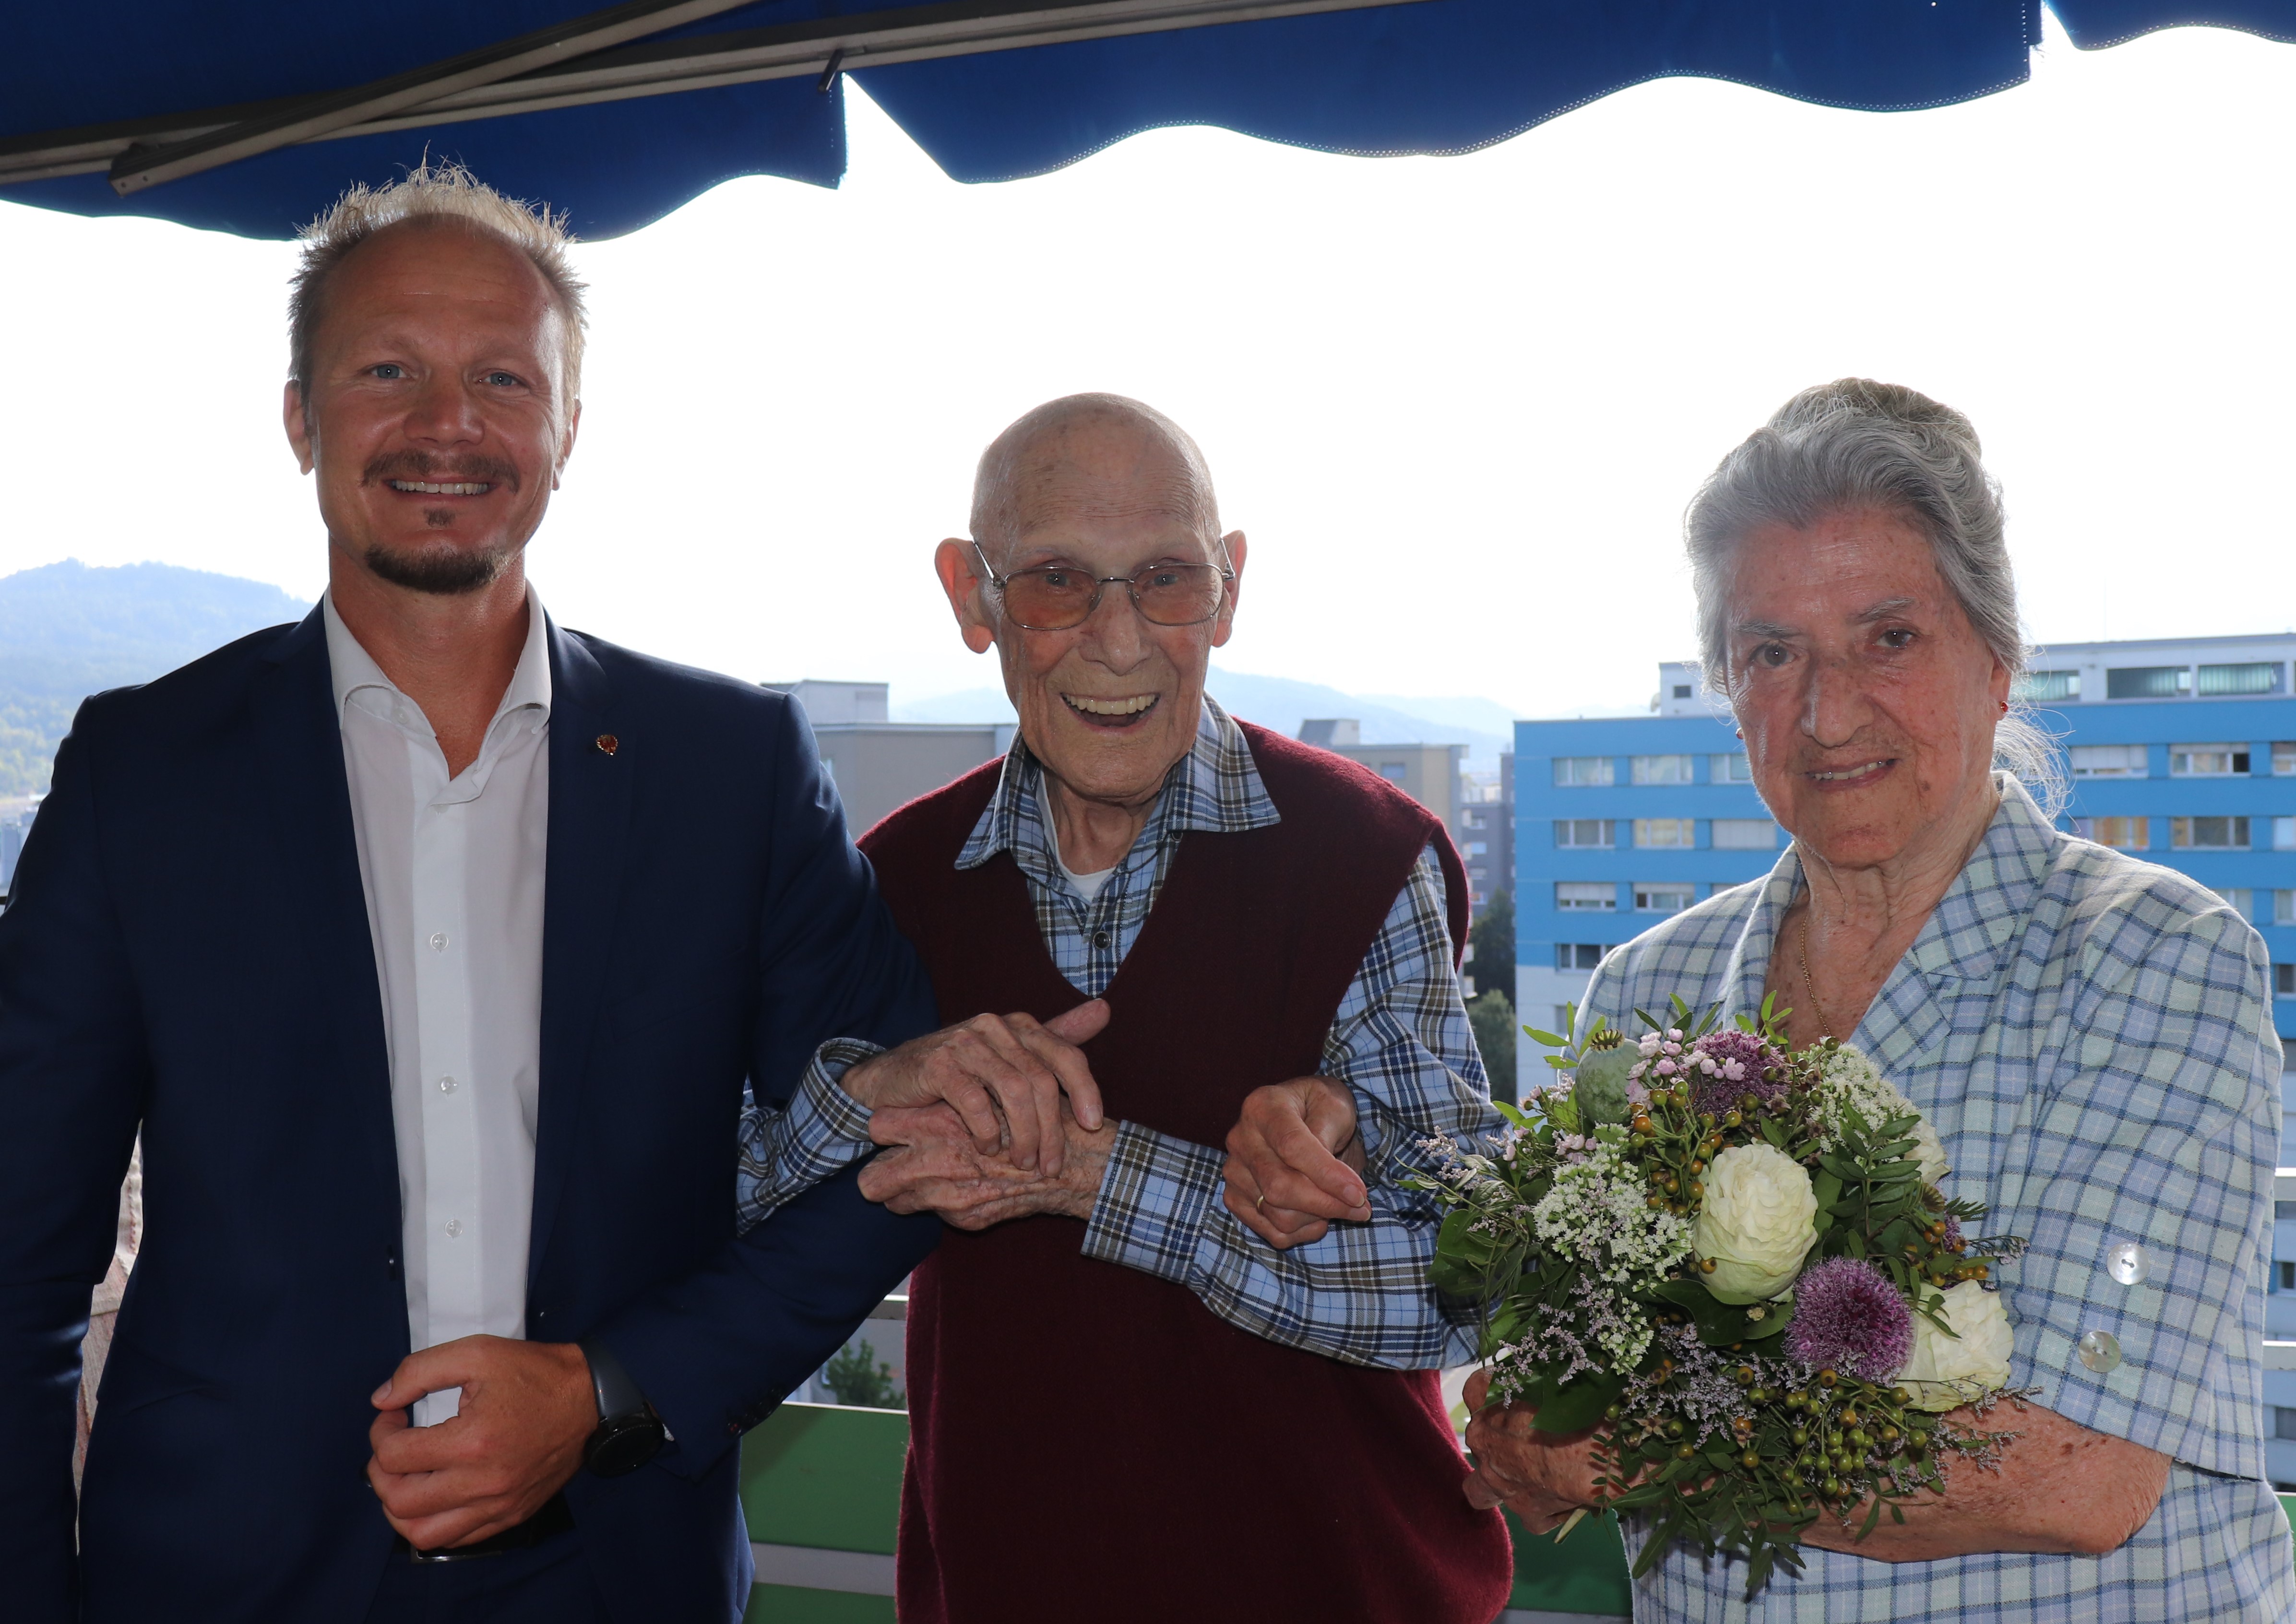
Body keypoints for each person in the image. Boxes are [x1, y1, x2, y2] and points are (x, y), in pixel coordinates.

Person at [0, 164, 1093, 1624]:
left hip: (618, 1573)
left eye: (502, 378)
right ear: (298, 417)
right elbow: (20, 1258)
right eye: (388, 369)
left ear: (567, 428)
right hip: (215, 1577)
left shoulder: (732, 767)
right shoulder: (143, 769)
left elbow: (894, 1157)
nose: (447, 423)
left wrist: (607, 1391)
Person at [1462, 379, 2296, 1619]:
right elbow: (1572, 1371)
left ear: (1997, 659)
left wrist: (1631, 1448)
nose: (1826, 709)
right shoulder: (1649, 996)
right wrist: (1531, 1413)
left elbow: (2078, 1470)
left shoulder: (2155, 955)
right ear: (1726, 684)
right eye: (1771, 653)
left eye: (1888, 638)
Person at [730, 393, 1514, 1624]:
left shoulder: (1366, 856)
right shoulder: (895, 882)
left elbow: (1469, 1282)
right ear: (970, 597)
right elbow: (714, 1213)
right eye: (1054, 582)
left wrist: (1099, 1179)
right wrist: (870, 1093)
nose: (1117, 640)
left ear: (1229, 586)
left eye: (1163, 579)